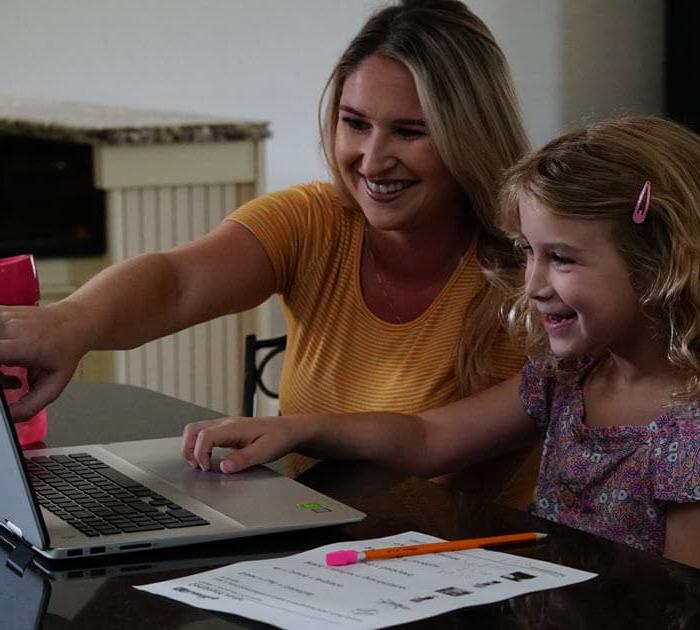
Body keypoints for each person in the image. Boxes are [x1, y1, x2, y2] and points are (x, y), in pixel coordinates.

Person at [0, 1, 536, 504]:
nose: (372, 160)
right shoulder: (314, 219)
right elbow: (176, 283)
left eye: (409, 132)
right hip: (318, 543)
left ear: (469, 134)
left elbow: (436, 474)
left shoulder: (531, 278)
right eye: (355, 123)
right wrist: (71, 324)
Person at [182, 116, 700, 569]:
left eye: (561, 258)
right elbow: (429, 438)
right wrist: (296, 428)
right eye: (527, 252)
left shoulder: (689, 428)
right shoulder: (570, 377)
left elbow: (680, 599)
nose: (534, 284)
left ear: (659, 260)